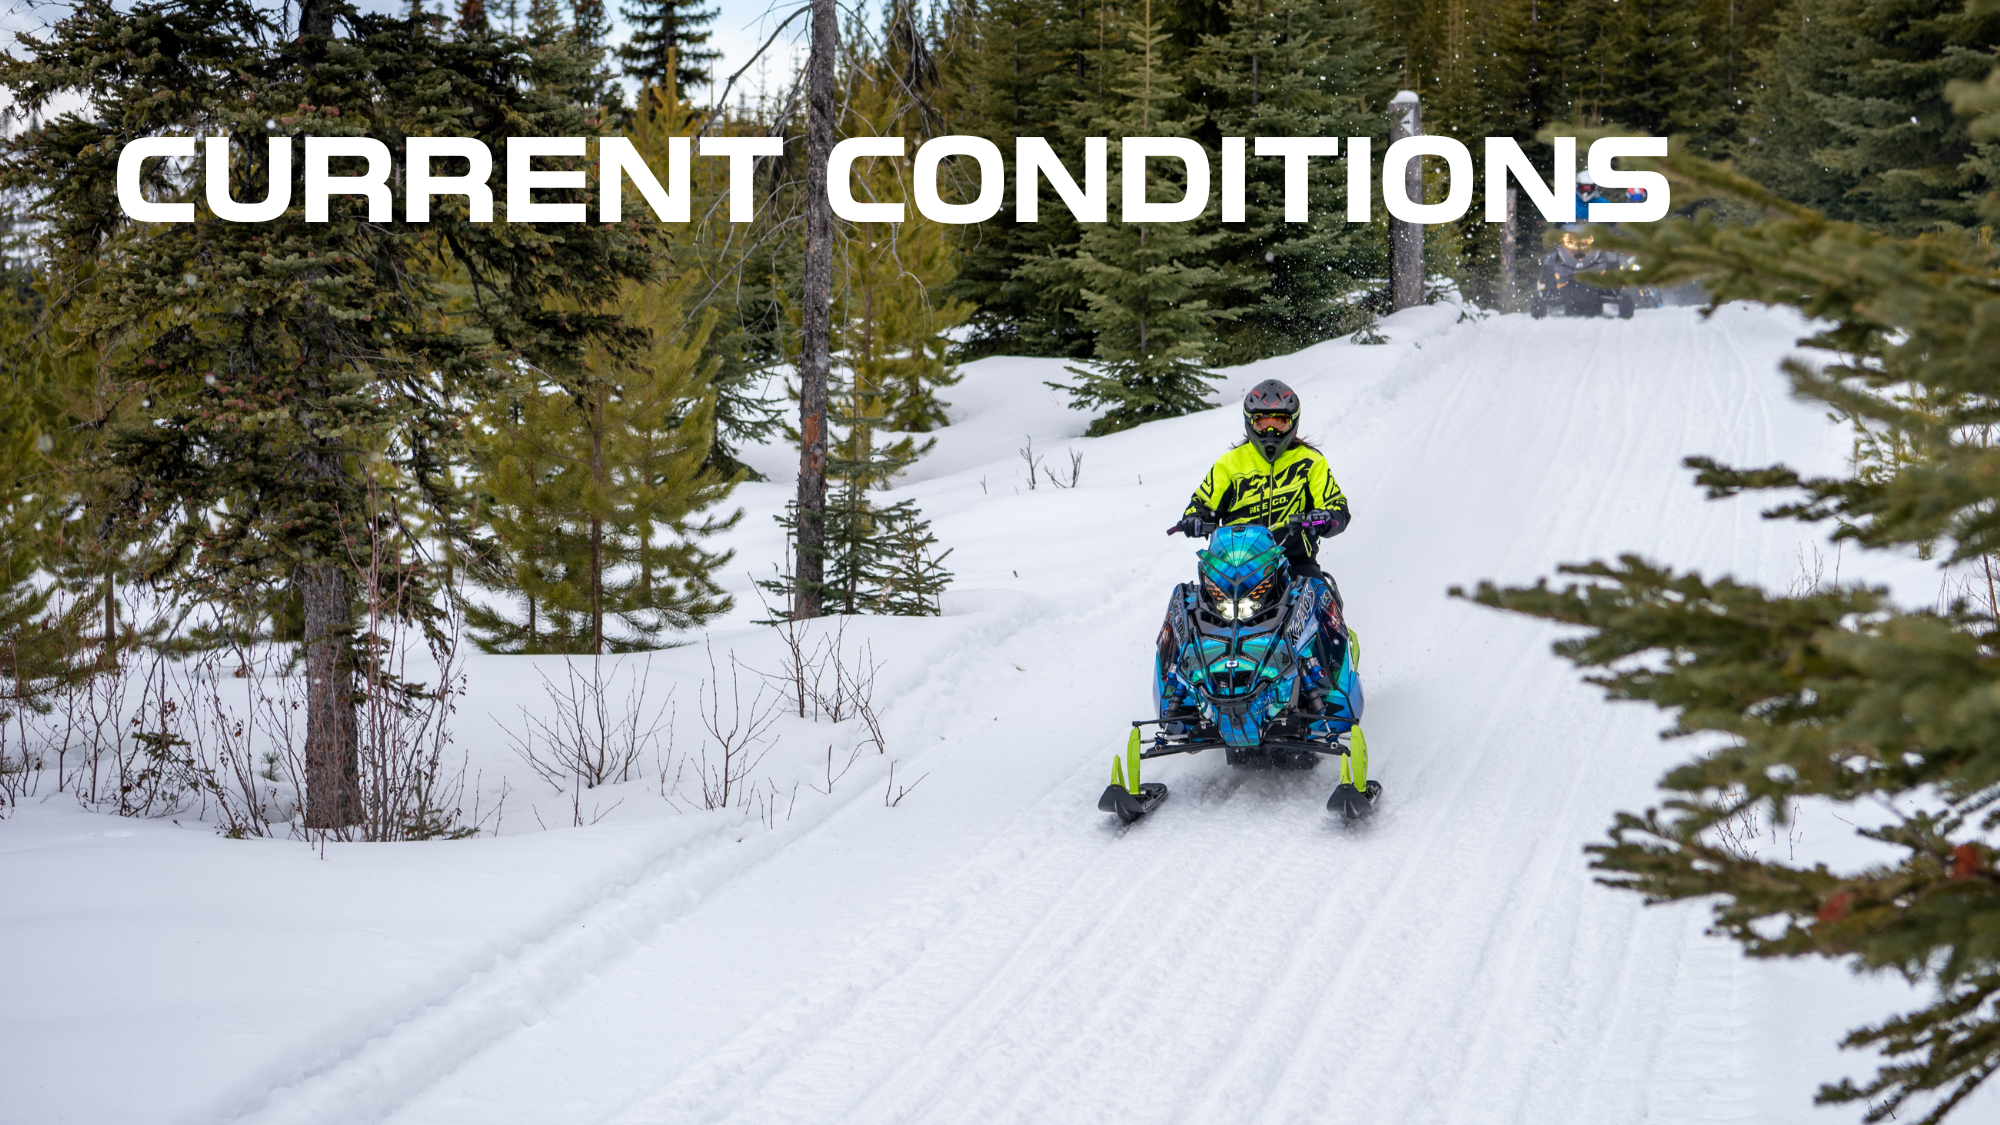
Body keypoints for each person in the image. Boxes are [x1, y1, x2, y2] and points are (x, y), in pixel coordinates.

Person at [1170, 379, 1350, 590]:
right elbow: (1202, 502)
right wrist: (1194, 518)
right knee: (1190, 603)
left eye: (1279, 423)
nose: (1271, 432)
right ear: (1250, 423)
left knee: (1321, 595)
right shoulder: (1229, 463)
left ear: (1293, 423)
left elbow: (1337, 506)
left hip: (1293, 561)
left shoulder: (1311, 462)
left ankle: (1334, 624)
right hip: (1234, 565)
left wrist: (1327, 517)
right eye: (1262, 423)